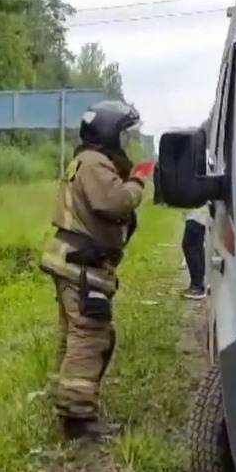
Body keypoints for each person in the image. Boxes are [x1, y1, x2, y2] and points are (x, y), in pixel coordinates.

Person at [40, 100, 153, 441]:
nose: (126, 141)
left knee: (76, 334)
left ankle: (67, 403)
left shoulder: (88, 161)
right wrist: (138, 182)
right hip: (80, 264)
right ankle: (78, 418)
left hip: (75, 261)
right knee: (90, 334)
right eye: (123, 133)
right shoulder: (93, 163)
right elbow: (115, 203)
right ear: (108, 132)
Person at [181, 207, 208, 299]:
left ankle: (197, 286)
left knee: (191, 244)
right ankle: (198, 284)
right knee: (195, 244)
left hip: (198, 210)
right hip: (198, 210)